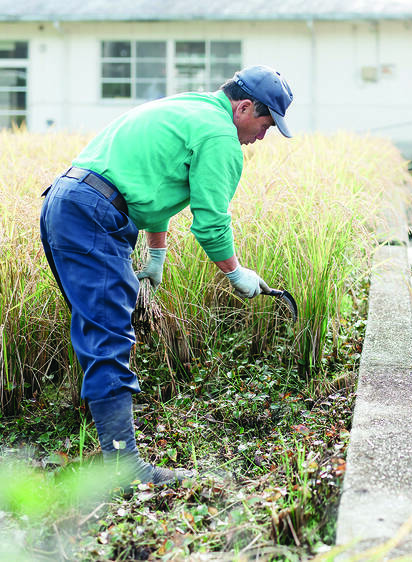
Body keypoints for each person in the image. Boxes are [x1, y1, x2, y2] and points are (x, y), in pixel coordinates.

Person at [39, 65, 294, 487]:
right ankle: (125, 469)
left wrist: (156, 254)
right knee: (108, 335)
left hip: (66, 201)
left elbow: (154, 185)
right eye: (264, 124)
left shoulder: (191, 106)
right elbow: (211, 222)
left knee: (95, 326)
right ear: (244, 106)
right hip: (93, 215)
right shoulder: (219, 136)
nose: (261, 137)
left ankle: (107, 448)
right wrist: (236, 274)